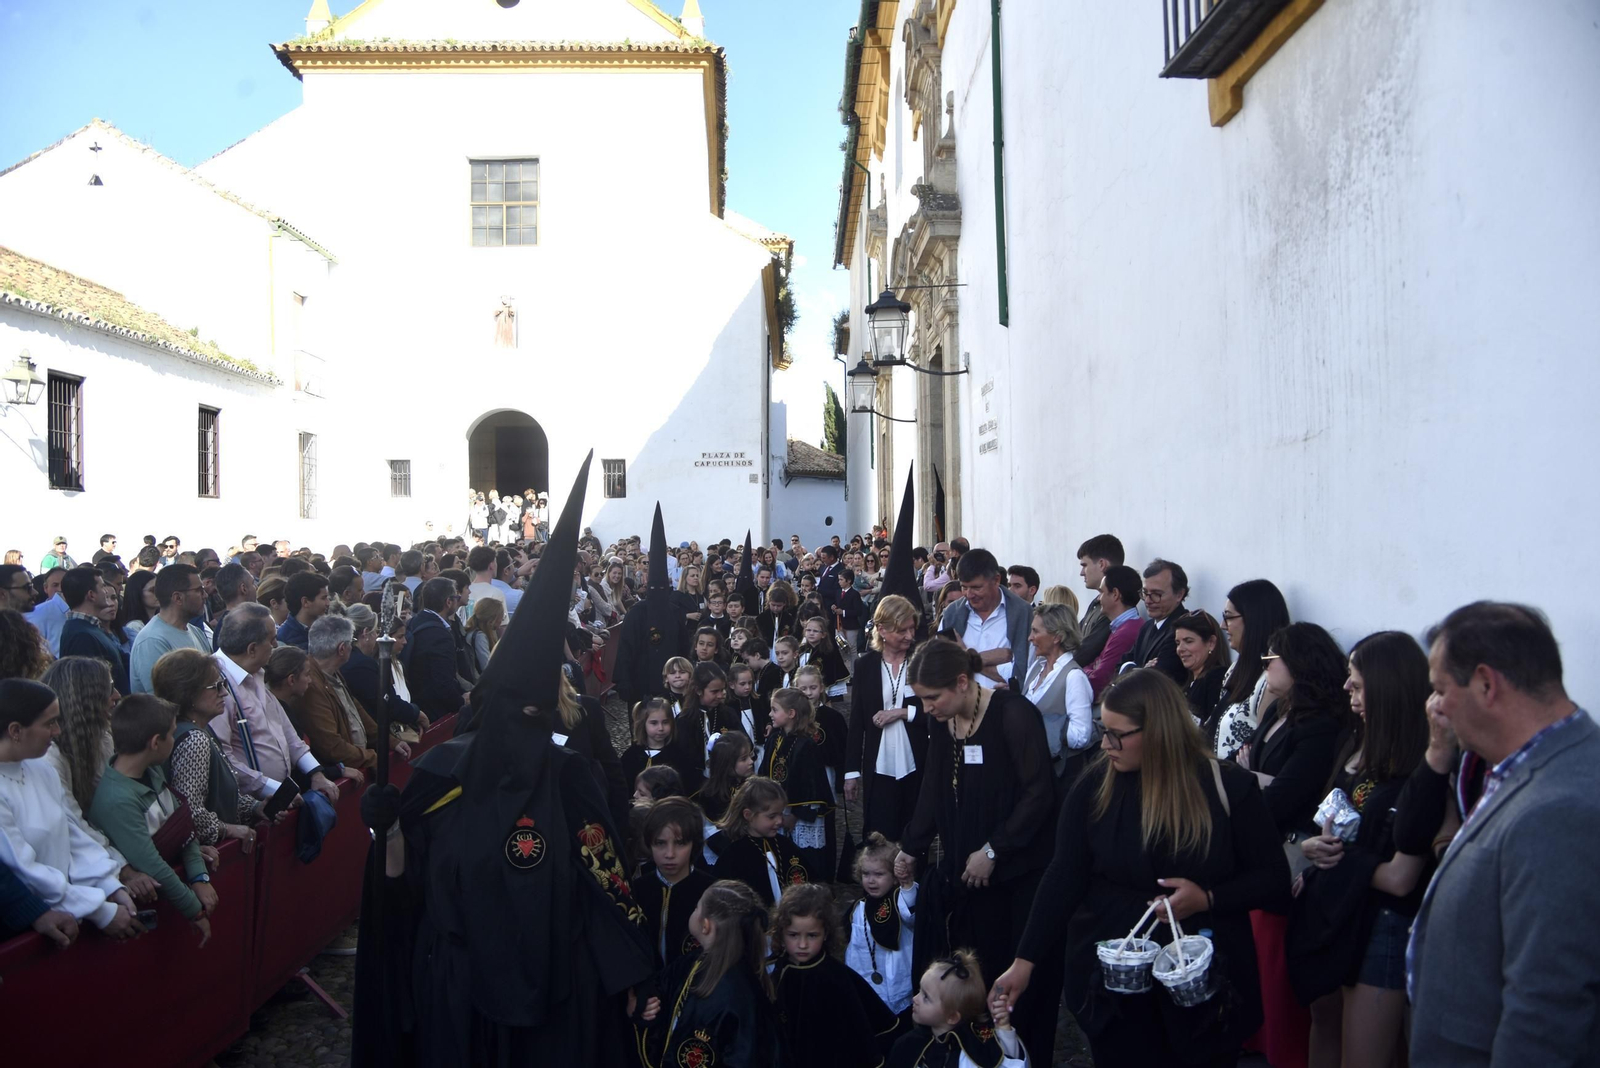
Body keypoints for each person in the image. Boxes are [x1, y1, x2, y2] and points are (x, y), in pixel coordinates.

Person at [352, 453, 658, 1068]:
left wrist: (632, 971)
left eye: (539, 719)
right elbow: (400, 887)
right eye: (520, 716)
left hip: (558, 993)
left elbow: (606, 877)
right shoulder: (443, 779)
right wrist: (385, 828)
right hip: (461, 993)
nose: (530, 731)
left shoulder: (569, 777)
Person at [993, 669, 1290, 1067]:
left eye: (1118, 734)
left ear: (1160, 731)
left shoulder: (1228, 787)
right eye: (1103, 729)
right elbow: (1064, 874)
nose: (1105, 743)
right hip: (1116, 991)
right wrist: (1024, 961)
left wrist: (1207, 898)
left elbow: (1272, 879)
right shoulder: (1094, 785)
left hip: (1200, 986)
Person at [1407, 603, 1599, 1068]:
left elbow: (1547, 1011)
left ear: (1486, 685)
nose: (1434, 707)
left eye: (1439, 689)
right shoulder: (1524, 765)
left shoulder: (1560, 806)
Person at [893, 638, 1057, 1062]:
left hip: (1016, 877)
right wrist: (912, 845)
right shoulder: (941, 721)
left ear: (962, 682)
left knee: (1008, 979)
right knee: (972, 974)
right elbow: (933, 784)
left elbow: (1039, 794)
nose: (927, 707)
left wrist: (994, 849)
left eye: (933, 697)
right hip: (966, 874)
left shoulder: (1013, 714)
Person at [1290, 631, 1432, 1068]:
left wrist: (1341, 860)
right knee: (1324, 1024)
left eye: (1356, 680)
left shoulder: (1421, 767)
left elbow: (1400, 877)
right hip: (1332, 911)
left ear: (1388, 687)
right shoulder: (1352, 742)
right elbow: (1328, 820)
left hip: (1379, 924)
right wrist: (1311, 847)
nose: (1346, 688)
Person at [1237, 621, 1351, 1068]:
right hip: (1263, 846)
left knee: (1276, 963)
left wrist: (1253, 780)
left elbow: (1288, 794)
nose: (1265, 665)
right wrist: (1257, 780)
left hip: (1291, 852)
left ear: (1301, 663)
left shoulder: (1319, 724)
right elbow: (1255, 771)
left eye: (1274, 657)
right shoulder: (1276, 711)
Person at [0, 678, 143, 940]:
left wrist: (109, 884)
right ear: (15, 730)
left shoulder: (41, 769)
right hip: (31, 929)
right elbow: (22, 869)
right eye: (49, 723)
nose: (57, 731)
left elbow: (73, 835)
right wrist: (98, 909)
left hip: (74, 909)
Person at [88, 695, 216, 947]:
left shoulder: (151, 771)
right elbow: (152, 865)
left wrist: (199, 876)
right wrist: (194, 909)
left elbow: (183, 827)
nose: (174, 738)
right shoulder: (117, 800)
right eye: (171, 734)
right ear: (156, 742)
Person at [635, 879, 782, 1067]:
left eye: (697, 907)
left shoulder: (739, 992)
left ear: (706, 925)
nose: (693, 911)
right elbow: (661, 985)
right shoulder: (691, 962)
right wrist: (647, 1003)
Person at [210, 604, 341, 810]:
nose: (275, 645)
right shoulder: (215, 684)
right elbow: (224, 760)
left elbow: (288, 734)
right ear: (252, 649)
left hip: (279, 800)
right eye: (271, 640)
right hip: (252, 808)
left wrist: (316, 773)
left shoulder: (257, 673)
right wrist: (275, 790)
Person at [772, 882, 904, 1067]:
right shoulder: (783, 966)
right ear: (781, 932)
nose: (802, 945)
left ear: (825, 933)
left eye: (812, 935)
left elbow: (858, 1026)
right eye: (793, 935)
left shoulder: (833, 976)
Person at [150, 648, 261, 850]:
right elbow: (191, 813)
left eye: (224, 684)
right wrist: (228, 829)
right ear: (189, 693)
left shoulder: (199, 729)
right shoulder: (194, 740)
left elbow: (221, 795)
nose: (224, 693)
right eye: (216, 687)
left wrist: (255, 807)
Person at [847, 594, 927, 842]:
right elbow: (857, 720)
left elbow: (940, 711)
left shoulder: (922, 661)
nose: (909, 636)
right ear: (881, 630)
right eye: (902, 630)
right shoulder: (866, 665)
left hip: (916, 761)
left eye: (912, 628)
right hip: (879, 762)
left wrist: (903, 713)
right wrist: (851, 772)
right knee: (878, 833)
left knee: (914, 831)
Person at [291, 615, 405, 781]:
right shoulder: (311, 686)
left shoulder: (332, 672)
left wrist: (389, 741)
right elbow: (332, 746)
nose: (354, 646)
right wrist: (374, 758)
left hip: (357, 762)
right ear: (342, 649)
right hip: (342, 779)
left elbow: (355, 709)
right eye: (351, 641)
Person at [892, 949, 1028, 1068]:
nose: (914, 999)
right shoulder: (909, 1044)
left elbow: (1009, 1064)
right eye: (919, 991)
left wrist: (1003, 1028)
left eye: (926, 997)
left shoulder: (978, 1049)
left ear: (952, 1017)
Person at [1210, 578, 1292, 762]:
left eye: (1229, 617)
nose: (1223, 625)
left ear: (1255, 619)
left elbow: (1260, 749)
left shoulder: (1271, 682)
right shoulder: (1235, 669)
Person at [758, 688, 834, 882]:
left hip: (798, 818)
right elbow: (766, 772)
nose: (770, 714)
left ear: (791, 714)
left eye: (774, 710)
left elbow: (811, 784)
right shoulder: (775, 739)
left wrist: (795, 813)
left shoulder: (806, 745)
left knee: (803, 860)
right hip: (777, 815)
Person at [633, 796, 715, 970]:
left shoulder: (711, 892)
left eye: (680, 843)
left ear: (694, 844)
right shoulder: (636, 892)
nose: (669, 854)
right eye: (660, 843)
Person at [1021, 603, 1096, 786]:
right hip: (1033, 770)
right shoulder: (1036, 668)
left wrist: (1044, 726)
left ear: (1057, 636)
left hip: (1059, 775)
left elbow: (1081, 735)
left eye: (1036, 632)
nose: (1030, 638)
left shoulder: (1074, 677)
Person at [848, 831, 920, 1016]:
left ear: (894, 876)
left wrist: (907, 884)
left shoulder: (898, 901)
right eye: (866, 874)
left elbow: (911, 913)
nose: (871, 880)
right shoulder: (860, 907)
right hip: (866, 978)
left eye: (879, 874)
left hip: (896, 980)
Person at [938, 550, 1032, 691]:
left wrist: (964, 658)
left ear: (996, 580)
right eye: (964, 587)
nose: (969, 594)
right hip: (961, 709)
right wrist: (984, 659)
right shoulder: (951, 615)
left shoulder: (1023, 614)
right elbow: (941, 666)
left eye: (976, 587)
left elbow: (1025, 671)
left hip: (1006, 707)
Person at [711, 776, 808, 904]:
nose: (779, 821)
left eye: (781, 814)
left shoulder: (784, 844)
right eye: (772, 816)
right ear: (748, 815)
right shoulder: (734, 854)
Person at [129, 564, 211, 693]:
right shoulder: (152, 641)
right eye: (199, 590)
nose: (205, 595)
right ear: (178, 598)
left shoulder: (196, 632)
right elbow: (164, 702)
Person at [403, 577, 470, 721]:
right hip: (434, 711)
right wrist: (461, 702)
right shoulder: (439, 635)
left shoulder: (415, 621)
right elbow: (443, 681)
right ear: (448, 602)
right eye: (457, 597)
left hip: (418, 700)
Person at [58, 567, 130, 694]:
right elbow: (90, 689)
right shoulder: (81, 635)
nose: (106, 592)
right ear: (91, 595)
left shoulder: (91, 628)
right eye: (102, 587)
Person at [1121, 559, 1189, 684]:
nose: (1147, 600)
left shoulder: (1183, 629)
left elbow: (1156, 678)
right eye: (1145, 593)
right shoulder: (1146, 627)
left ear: (1179, 594)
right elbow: (1122, 664)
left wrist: (1135, 670)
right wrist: (1141, 670)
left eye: (1156, 594)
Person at [1082, 565, 1143, 700]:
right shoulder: (1121, 627)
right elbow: (1093, 668)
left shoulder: (1126, 632)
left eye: (1102, 592)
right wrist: (1089, 671)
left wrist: (1084, 673)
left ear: (1115, 594)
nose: (1099, 599)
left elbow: (1098, 682)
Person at [620, 697, 700, 792]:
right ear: (643, 724)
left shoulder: (679, 754)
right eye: (654, 723)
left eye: (665, 722)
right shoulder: (631, 755)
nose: (661, 728)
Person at [1074, 534, 1125, 669]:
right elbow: (1074, 637)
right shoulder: (1096, 602)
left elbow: (1084, 653)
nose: (1081, 572)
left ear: (1102, 564)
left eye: (1084, 565)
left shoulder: (1115, 606)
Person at [1172, 610, 1231, 722]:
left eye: (1188, 641)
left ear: (1211, 643)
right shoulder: (1188, 682)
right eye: (1177, 643)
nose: (1180, 649)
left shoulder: (1216, 678)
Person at [276, 571, 330, 650]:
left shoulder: (330, 628)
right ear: (305, 602)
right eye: (323, 598)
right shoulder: (284, 639)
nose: (328, 603)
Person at [463, 596, 506, 673]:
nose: (501, 622)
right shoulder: (480, 637)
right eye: (501, 618)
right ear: (492, 620)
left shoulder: (472, 631)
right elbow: (486, 666)